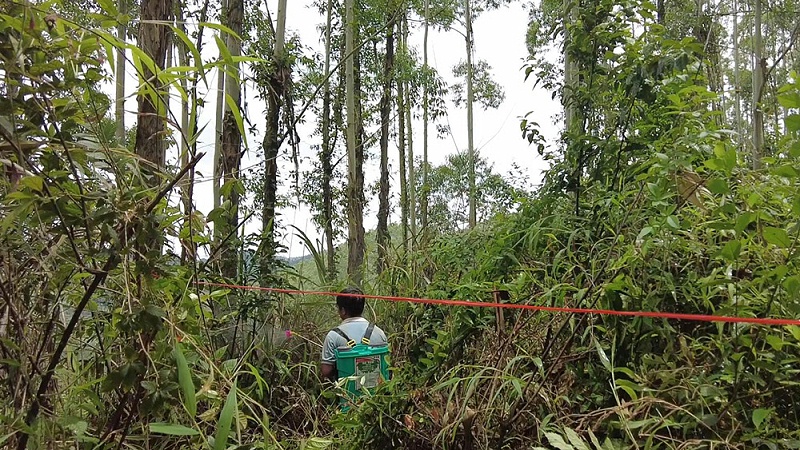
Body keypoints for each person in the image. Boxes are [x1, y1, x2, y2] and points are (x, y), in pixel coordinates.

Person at [320, 286, 388, 382]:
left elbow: (326, 371)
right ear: (362, 308)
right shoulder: (379, 333)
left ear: (343, 311)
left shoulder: (333, 336)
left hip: (347, 394)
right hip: (377, 394)